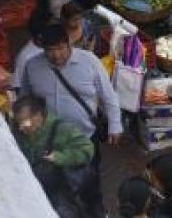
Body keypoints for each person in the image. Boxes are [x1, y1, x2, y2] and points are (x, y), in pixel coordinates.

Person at [19, 25, 121, 217]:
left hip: (84, 138)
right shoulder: (32, 66)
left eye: (60, 48)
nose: (56, 55)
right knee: (57, 186)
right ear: (43, 49)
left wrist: (115, 125)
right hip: (50, 141)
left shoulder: (89, 62)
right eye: (50, 50)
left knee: (89, 182)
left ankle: (96, 211)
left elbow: (108, 96)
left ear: (69, 44)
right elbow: (26, 100)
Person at [13, 95, 95, 217]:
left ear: (38, 116)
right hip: (33, 189)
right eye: (18, 122)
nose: (21, 127)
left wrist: (59, 157)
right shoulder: (17, 130)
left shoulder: (63, 129)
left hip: (58, 192)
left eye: (25, 122)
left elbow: (86, 150)